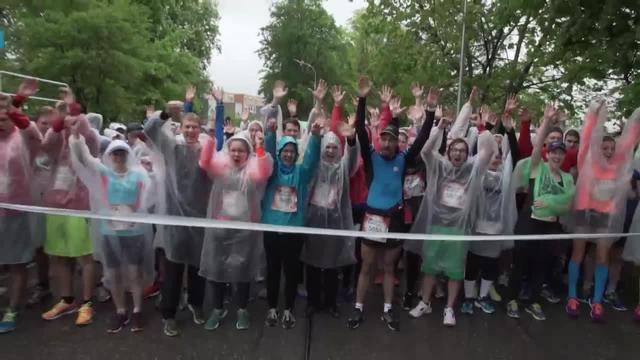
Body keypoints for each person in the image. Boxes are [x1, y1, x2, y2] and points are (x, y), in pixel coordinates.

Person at [347, 78, 437, 332]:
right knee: (366, 266)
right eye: (383, 139)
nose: (386, 143)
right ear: (379, 141)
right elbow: (361, 133)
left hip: (394, 218)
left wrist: (429, 110)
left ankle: (388, 309)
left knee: (388, 267)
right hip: (372, 218)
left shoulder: (404, 159)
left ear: (397, 142)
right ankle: (358, 307)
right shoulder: (371, 156)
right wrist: (362, 100)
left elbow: (422, 137)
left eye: (391, 139)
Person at [409, 87, 497, 327]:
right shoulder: (438, 166)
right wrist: (440, 127)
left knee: (455, 271)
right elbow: (426, 150)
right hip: (437, 225)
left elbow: (488, 151)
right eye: (454, 149)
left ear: (467, 154)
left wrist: (482, 129)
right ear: (448, 152)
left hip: (459, 229)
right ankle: (424, 303)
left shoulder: (472, 170)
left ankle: (449, 309)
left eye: (462, 150)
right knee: (429, 269)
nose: (458, 153)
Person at [143, 94, 220, 336]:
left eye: (195, 127)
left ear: (200, 129)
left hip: (198, 219)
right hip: (175, 219)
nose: (191, 131)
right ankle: (169, 314)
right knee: (174, 270)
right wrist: (165, 113)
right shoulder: (172, 146)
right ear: (182, 127)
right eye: (187, 126)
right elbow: (150, 130)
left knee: (198, 268)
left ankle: (196, 305)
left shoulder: (206, 151)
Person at [69, 132, 155, 333]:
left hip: (133, 233)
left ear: (127, 155)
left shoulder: (138, 174)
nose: (118, 157)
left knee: (134, 273)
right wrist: (76, 136)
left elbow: (152, 190)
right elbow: (85, 160)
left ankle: (137, 310)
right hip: (110, 232)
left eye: (122, 153)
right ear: (109, 155)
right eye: (114, 153)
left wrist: (139, 208)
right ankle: (120, 311)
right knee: (114, 273)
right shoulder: (104, 173)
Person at [566, 103, 640, 321]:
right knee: (577, 254)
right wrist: (593, 114)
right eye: (604, 148)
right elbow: (588, 134)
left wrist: (637, 117)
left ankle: (597, 301)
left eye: (611, 149)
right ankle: (572, 296)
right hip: (584, 213)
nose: (608, 151)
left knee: (602, 257)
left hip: (605, 217)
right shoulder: (588, 160)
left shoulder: (617, 165)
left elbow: (630, 138)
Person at [198, 130, 273, 331]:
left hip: (244, 230)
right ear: (228, 151)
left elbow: (264, 172)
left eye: (241, 151)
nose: (237, 154)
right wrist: (211, 140)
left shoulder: (251, 172)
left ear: (247, 153)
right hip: (220, 228)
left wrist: (260, 147)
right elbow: (204, 163)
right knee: (217, 268)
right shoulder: (220, 168)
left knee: (242, 270)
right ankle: (217, 308)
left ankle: (242, 309)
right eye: (233, 150)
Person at [506, 103, 575, 321]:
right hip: (529, 222)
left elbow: (567, 204)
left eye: (560, 153)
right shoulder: (538, 167)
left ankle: (534, 301)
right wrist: (546, 120)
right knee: (520, 263)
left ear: (564, 157)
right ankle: (512, 299)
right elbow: (536, 150)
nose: (557, 156)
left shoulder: (567, 178)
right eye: (553, 152)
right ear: (548, 153)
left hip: (550, 225)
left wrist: (553, 203)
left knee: (542, 264)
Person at [261, 102, 322, 330]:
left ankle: (288, 309)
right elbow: (266, 154)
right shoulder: (272, 172)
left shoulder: (301, 173)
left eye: (292, 151)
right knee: (272, 269)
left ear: (296, 154)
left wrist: (315, 137)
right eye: (285, 151)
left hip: (294, 231)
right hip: (271, 229)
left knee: (291, 270)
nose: (288, 154)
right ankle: (271, 308)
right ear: (280, 153)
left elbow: (312, 160)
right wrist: (269, 132)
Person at [40, 91, 99, 328]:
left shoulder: (89, 137)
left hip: (79, 206)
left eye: (70, 113)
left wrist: (73, 110)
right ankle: (66, 299)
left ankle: (87, 303)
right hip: (55, 205)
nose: (65, 117)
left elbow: (86, 136)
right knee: (59, 256)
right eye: (60, 113)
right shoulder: (56, 139)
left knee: (85, 255)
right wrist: (58, 123)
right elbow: (46, 146)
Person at [301, 93, 359, 318]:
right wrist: (316, 106)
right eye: (328, 147)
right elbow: (309, 144)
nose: (331, 151)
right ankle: (313, 301)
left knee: (332, 265)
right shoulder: (314, 165)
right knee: (313, 265)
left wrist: (351, 141)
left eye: (335, 148)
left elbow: (352, 159)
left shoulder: (342, 167)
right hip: (313, 219)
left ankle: (331, 303)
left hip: (335, 221)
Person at [461, 96, 520, 316]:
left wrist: (509, 129)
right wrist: (483, 127)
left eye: (499, 155)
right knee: (472, 265)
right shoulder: (478, 172)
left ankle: (482, 297)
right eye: (491, 155)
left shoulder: (507, 176)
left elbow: (516, 153)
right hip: (476, 228)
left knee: (490, 266)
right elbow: (481, 148)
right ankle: (468, 298)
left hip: (496, 230)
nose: (495, 158)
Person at [0, 84, 44, 333]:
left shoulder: (24, 137)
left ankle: (13, 308)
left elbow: (28, 127)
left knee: (17, 263)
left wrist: (16, 101)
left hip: (16, 210)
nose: (1, 122)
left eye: (4, 118)